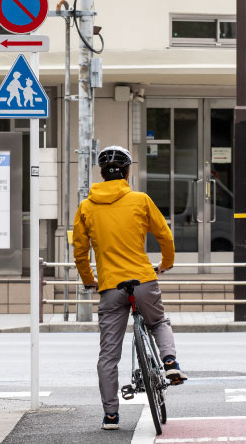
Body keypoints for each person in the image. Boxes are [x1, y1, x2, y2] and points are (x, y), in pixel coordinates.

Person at [73, 145, 188, 431]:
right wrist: (165, 263)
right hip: (143, 281)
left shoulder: (86, 207)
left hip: (111, 287)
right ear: (127, 172)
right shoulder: (140, 200)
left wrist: (89, 280)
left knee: (108, 356)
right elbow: (165, 235)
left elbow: (79, 251)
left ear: (101, 173)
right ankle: (170, 362)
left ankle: (111, 415)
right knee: (159, 320)